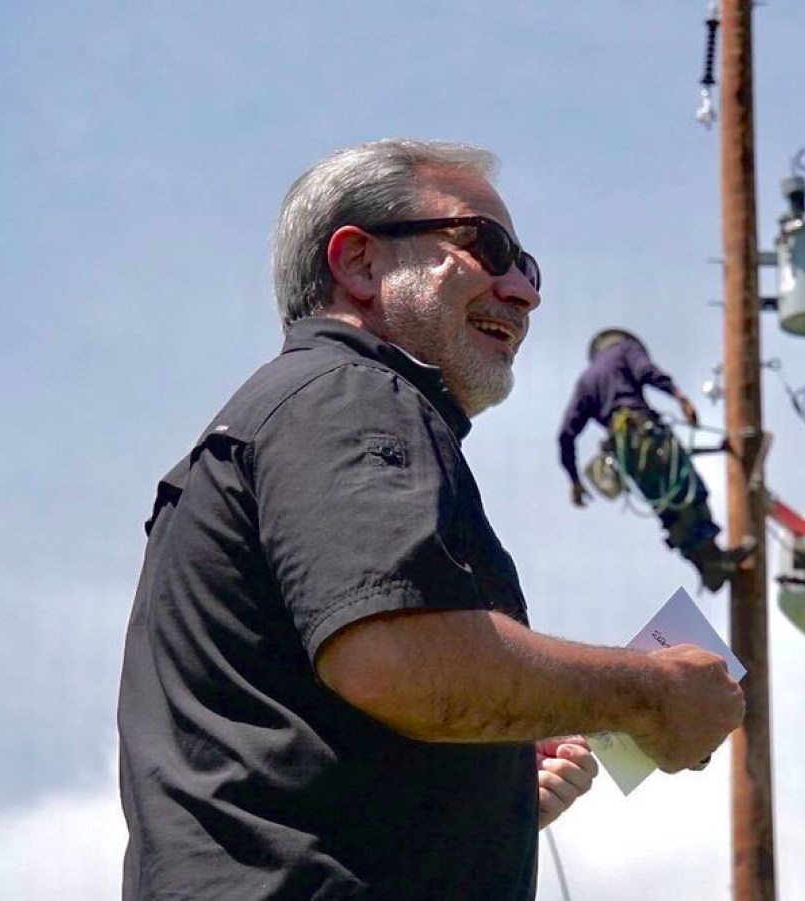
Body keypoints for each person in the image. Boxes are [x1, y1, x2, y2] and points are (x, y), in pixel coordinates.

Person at [117, 139, 744, 901]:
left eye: (529, 267)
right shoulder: (349, 395)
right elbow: (397, 658)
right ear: (358, 263)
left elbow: (330, 715)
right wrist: (649, 693)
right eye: (487, 246)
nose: (524, 292)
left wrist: (482, 778)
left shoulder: (300, 411)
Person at [558, 328, 755, 592]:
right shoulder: (624, 352)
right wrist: (680, 397)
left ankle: (706, 567)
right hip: (648, 434)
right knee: (688, 492)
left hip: (628, 458)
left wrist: (575, 481)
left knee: (669, 512)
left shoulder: (586, 381)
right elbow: (647, 372)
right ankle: (715, 561)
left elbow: (565, 435)